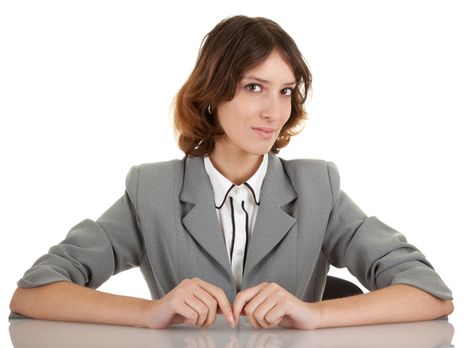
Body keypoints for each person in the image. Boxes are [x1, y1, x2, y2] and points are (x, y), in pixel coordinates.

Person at [10, 15, 453, 330]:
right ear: (213, 93)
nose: (273, 110)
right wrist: (150, 313)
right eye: (254, 87)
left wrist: (313, 314)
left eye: (285, 91)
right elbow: (33, 293)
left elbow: (430, 293)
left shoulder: (318, 186)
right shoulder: (153, 190)